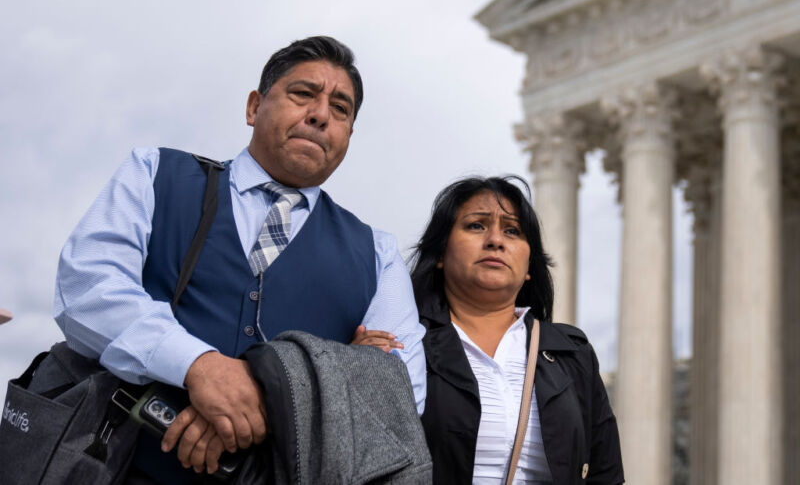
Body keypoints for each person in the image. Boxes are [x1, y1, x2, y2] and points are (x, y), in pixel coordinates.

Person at [53, 36, 426, 484]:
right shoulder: (155, 174)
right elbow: (88, 287)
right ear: (254, 107)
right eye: (302, 94)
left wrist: (267, 397)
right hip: (119, 466)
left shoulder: (377, 253)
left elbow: (400, 388)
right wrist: (199, 367)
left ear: (348, 135)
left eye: (341, 109)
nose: (321, 114)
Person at [410, 176, 623, 484]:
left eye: (512, 231)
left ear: (528, 268)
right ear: (441, 253)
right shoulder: (404, 342)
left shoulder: (572, 354)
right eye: (476, 226)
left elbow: (605, 474)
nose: (496, 240)